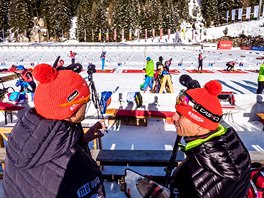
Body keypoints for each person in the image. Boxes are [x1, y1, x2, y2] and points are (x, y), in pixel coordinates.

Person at [3, 63, 106, 197]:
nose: (86, 106)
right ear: (72, 111)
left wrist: (79, 140)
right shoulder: (81, 170)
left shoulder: (19, 137)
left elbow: (46, 156)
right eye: (85, 102)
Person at [170, 80, 251, 198]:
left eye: (181, 114)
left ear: (200, 125)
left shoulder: (193, 183)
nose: (173, 118)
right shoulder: (230, 143)